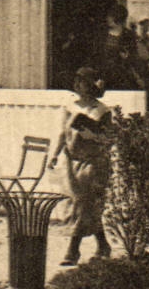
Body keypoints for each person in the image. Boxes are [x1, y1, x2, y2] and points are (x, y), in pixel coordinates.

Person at [47, 67, 115, 266]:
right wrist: (54, 154)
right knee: (83, 205)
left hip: (92, 162)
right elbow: (62, 132)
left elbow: (108, 139)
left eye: (82, 81)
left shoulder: (102, 111)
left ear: (91, 85)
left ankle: (73, 250)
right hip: (71, 161)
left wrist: (92, 136)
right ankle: (103, 245)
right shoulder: (70, 107)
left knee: (82, 203)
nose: (77, 85)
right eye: (76, 81)